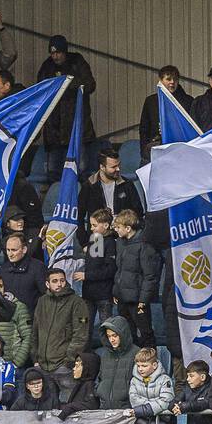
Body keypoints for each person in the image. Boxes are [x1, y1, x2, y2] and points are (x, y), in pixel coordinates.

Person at [37, 35, 97, 184]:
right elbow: (40, 90)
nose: (55, 56)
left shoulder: (77, 62)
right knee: (53, 173)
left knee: (82, 171)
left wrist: (66, 83)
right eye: (52, 53)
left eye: (58, 53)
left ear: (65, 51)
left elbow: (90, 85)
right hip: (54, 129)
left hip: (77, 128)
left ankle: (82, 203)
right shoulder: (47, 66)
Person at [31, 268, 90, 399]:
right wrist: (35, 358)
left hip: (64, 367)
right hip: (43, 366)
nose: (59, 284)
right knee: (47, 409)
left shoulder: (77, 302)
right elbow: (35, 331)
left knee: (68, 405)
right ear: (47, 284)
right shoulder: (42, 301)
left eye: (62, 280)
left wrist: (68, 360)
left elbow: (81, 335)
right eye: (55, 281)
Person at [110, 210, 157, 347]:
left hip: (137, 299)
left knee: (145, 332)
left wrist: (143, 300)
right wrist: (116, 291)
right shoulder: (120, 242)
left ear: (128, 228)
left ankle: (150, 361)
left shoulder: (144, 245)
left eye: (118, 227)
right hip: (122, 298)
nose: (116, 230)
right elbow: (119, 270)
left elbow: (150, 275)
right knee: (126, 334)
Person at [77, 149, 143, 242]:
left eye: (119, 165)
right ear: (102, 167)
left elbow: (138, 213)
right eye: (113, 167)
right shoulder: (89, 186)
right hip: (97, 239)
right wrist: (84, 243)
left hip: (124, 238)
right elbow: (79, 216)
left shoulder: (127, 185)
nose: (118, 169)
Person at [138, 65, 194, 162]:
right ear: (160, 80)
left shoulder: (188, 101)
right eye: (168, 79)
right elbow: (144, 128)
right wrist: (144, 149)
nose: (172, 82)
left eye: (175, 79)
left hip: (180, 150)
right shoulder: (151, 101)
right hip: (156, 148)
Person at [78, 208, 118, 327]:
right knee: (83, 325)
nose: (91, 228)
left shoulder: (111, 243)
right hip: (87, 293)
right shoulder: (94, 240)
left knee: (106, 326)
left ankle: (109, 346)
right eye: (90, 225)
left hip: (103, 295)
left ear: (106, 225)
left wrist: (87, 276)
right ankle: (84, 346)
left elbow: (110, 270)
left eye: (94, 225)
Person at [129, 346, 175, 424]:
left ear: (154, 365)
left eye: (144, 366)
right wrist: (154, 406)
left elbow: (165, 401)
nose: (140, 369)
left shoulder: (165, 379)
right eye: (138, 365)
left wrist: (144, 409)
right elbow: (134, 400)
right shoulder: (134, 380)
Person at [0, 232, 47, 314]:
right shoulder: (3, 269)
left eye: (14, 250)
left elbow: (46, 296)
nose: (10, 254)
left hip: (31, 320)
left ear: (24, 250)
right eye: (8, 250)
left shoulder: (38, 267)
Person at [93, 316, 136, 410]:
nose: (111, 340)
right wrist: (99, 391)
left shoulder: (136, 353)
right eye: (109, 336)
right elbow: (100, 378)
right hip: (104, 409)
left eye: (114, 335)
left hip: (127, 411)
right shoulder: (105, 355)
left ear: (123, 334)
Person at [172, 360, 212, 424]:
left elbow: (206, 403)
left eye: (191, 376)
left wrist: (185, 406)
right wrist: (175, 407)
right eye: (187, 376)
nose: (188, 379)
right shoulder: (187, 388)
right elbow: (174, 401)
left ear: (202, 377)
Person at [56, 351, 101, 419]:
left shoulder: (90, 385)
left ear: (86, 368)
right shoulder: (80, 384)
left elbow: (92, 405)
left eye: (77, 366)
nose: (73, 369)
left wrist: (70, 407)